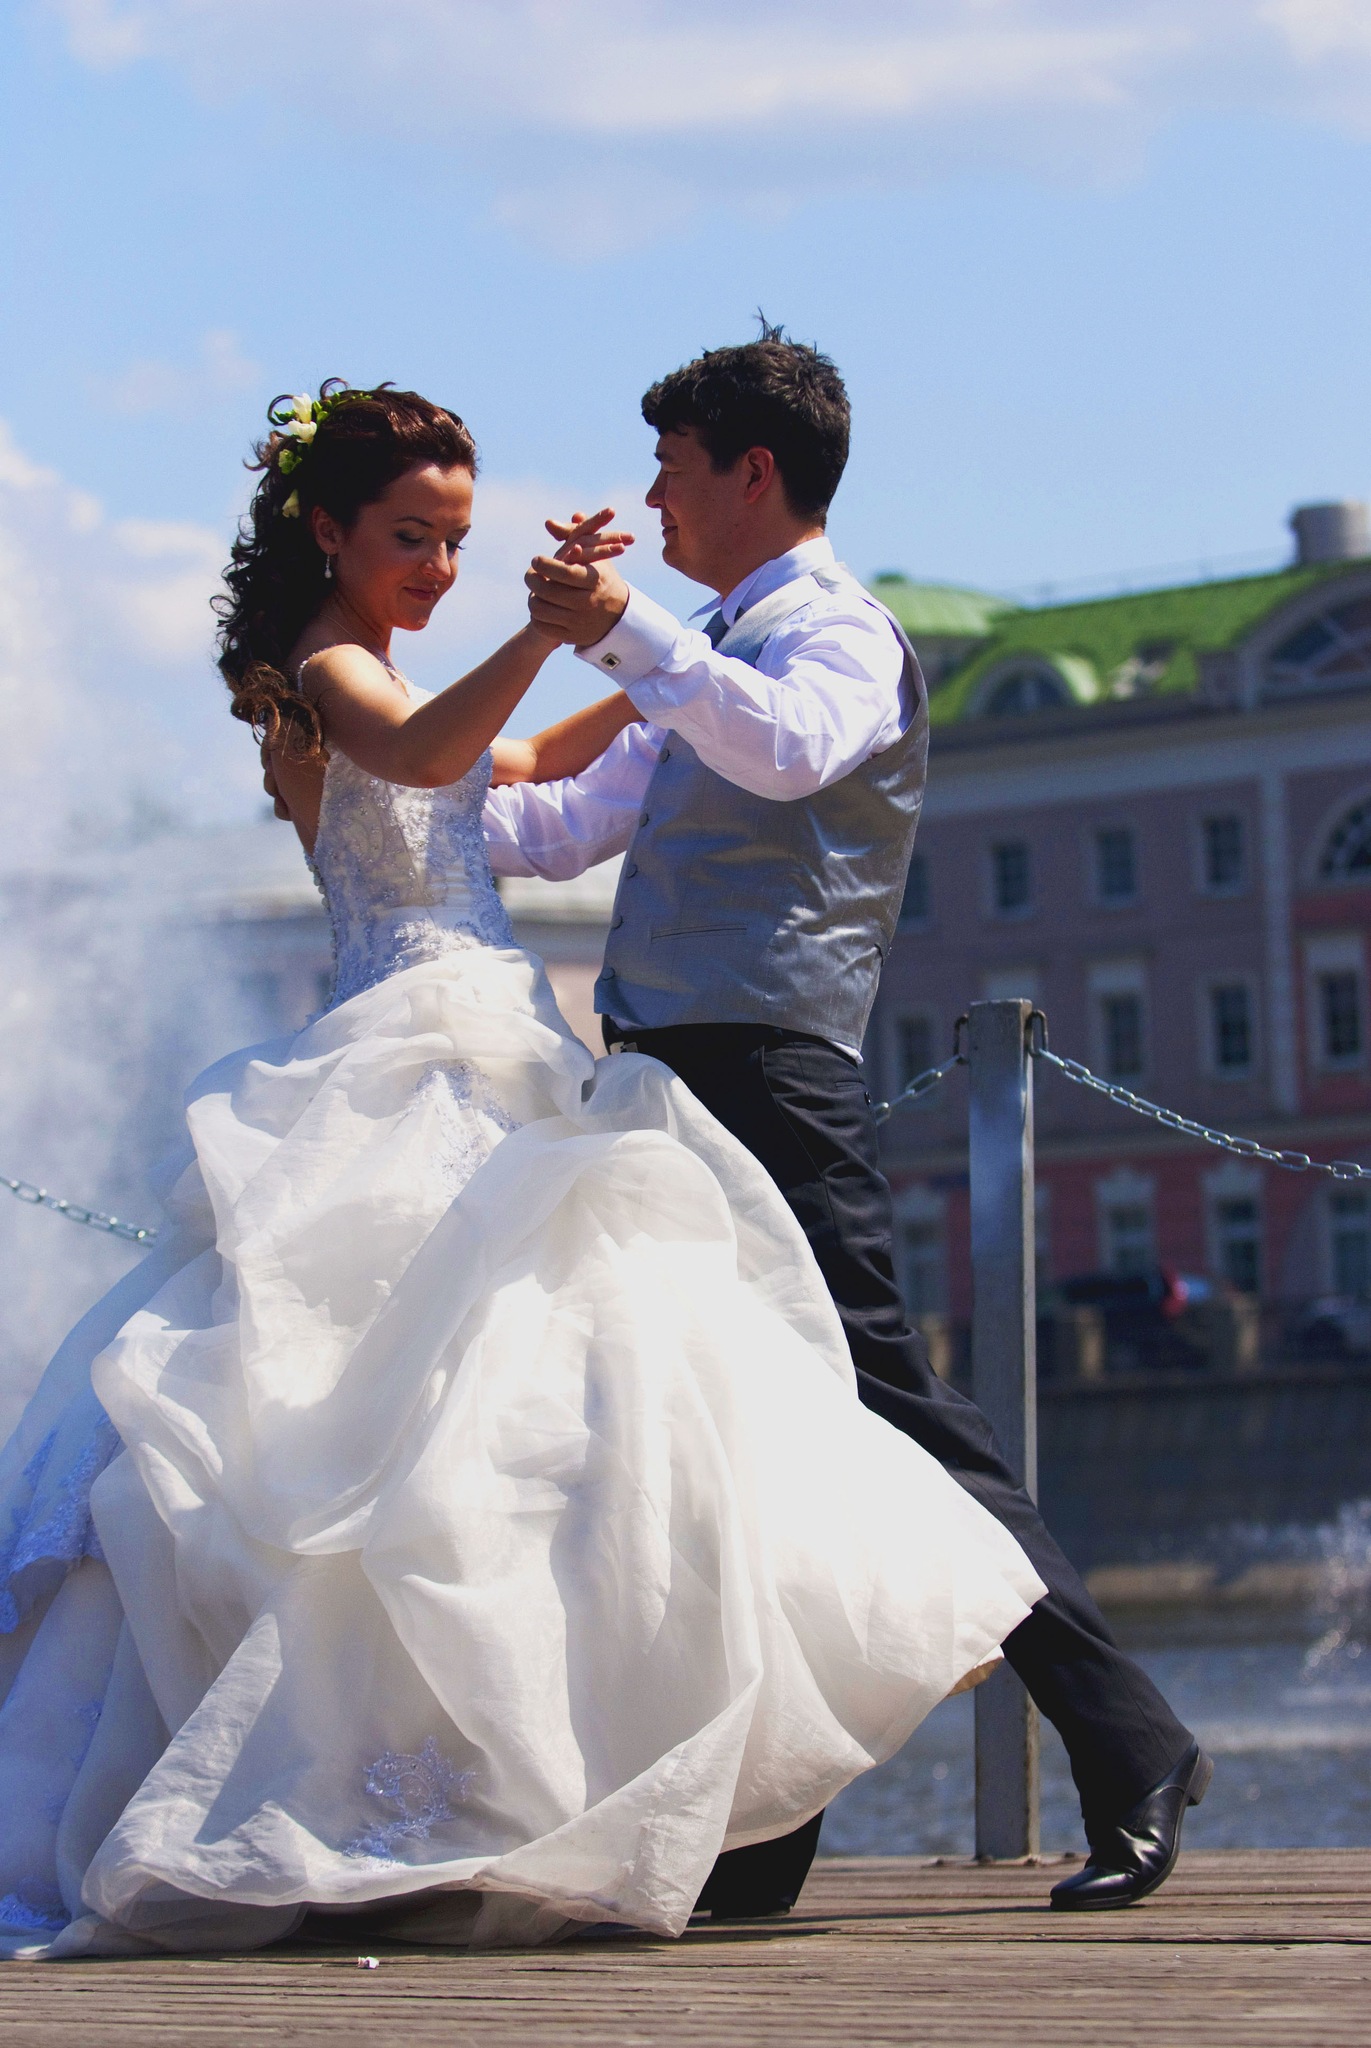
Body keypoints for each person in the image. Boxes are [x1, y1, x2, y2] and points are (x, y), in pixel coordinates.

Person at [0, 382, 1044, 1958]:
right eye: (411, 537)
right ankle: (362, 1783)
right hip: (405, 1051)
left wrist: (644, 649)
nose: (437, 566)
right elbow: (431, 754)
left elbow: (529, 760)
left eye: (456, 541)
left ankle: (503, 1770)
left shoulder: (392, 666)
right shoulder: (325, 672)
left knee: (527, 1410)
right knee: (381, 1416)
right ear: (327, 531)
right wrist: (562, 633)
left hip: (497, 1040)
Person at [498, 328, 1213, 1916]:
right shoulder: (712, 644)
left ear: (754, 472)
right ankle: (763, 1835)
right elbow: (565, 826)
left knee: (897, 1412)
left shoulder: (835, 635)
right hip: (664, 1079)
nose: (651, 503)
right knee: (715, 1439)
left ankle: (1133, 1743)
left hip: (769, 1073)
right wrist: (379, 800)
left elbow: (786, 753)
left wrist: (628, 632)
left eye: (673, 472)